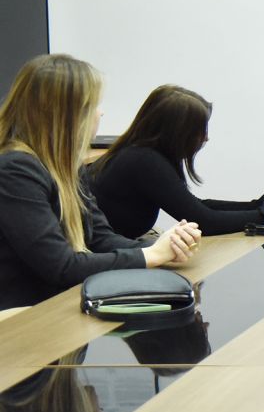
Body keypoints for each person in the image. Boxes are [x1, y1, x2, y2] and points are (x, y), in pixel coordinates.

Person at [0, 55, 200, 311]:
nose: (100, 112)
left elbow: (100, 238)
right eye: (93, 105)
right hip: (25, 317)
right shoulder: (16, 170)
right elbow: (62, 266)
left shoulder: (66, 166)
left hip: (60, 303)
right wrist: (150, 255)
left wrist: (167, 246)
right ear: (66, 115)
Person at [90, 85, 264, 238]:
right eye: (199, 130)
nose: (206, 138)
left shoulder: (144, 153)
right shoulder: (144, 161)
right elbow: (203, 221)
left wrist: (258, 205)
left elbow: (195, 206)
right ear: (177, 132)